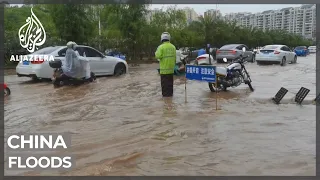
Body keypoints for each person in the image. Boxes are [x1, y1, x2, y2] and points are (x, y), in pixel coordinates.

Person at [155, 32, 176, 97]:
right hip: (171, 70)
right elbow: (175, 58)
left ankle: (166, 103)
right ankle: (170, 101)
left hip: (164, 71)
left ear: (162, 39)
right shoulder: (173, 47)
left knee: (165, 89)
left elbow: (158, 56)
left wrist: (156, 52)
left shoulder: (161, 47)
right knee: (170, 86)